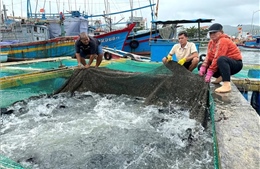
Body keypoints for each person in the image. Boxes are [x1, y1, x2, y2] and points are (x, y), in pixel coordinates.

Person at [198, 23, 243, 93]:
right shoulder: (211, 42)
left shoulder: (223, 40)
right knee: (200, 66)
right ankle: (220, 78)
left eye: (214, 32)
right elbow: (209, 56)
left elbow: (218, 57)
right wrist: (204, 66)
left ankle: (226, 84)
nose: (212, 35)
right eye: (210, 33)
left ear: (221, 32)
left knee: (221, 59)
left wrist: (210, 71)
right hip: (222, 64)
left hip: (235, 64)